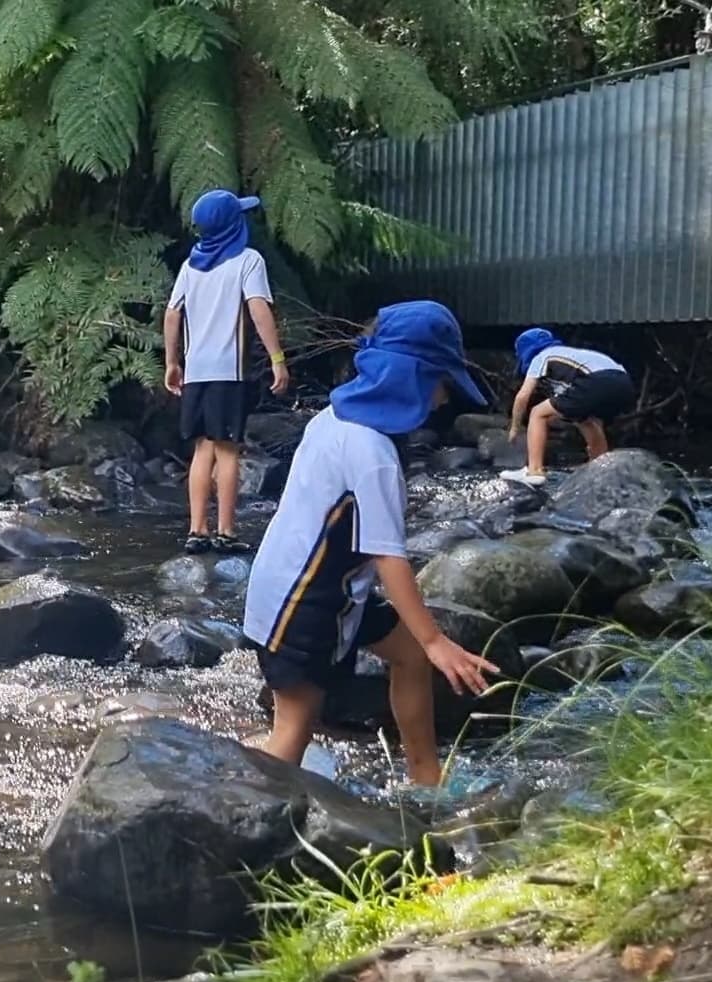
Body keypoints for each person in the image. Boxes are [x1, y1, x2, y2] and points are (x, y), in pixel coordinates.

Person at [243, 301, 499, 788]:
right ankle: (240, 825)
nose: (443, 401)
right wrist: (436, 639)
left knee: (408, 656)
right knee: (294, 731)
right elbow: (388, 556)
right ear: (411, 380)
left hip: (311, 587)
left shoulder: (334, 416)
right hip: (304, 603)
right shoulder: (372, 452)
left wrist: (423, 644)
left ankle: (426, 776)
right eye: (441, 384)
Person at [164, 189, 290, 555]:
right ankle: (226, 532)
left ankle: (196, 530)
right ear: (234, 225)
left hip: (197, 372)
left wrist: (173, 362)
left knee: (202, 449)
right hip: (228, 372)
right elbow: (258, 310)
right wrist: (277, 358)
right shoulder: (248, 261)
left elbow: (173, 313)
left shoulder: (191, 266)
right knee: (229, 450)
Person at [500, 327, 635, 487]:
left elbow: (523, 396)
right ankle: (599, 468)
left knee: (537, 413)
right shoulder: (568, 354)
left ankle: (534, 471)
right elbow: (575, 406)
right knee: (584, 419)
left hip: (595, 379)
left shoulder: (542, 356)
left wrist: (514, 427)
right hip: (625, 383)